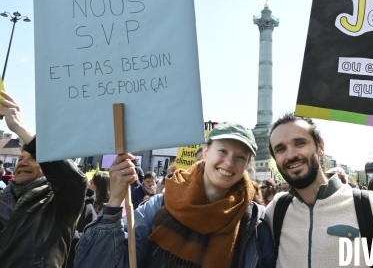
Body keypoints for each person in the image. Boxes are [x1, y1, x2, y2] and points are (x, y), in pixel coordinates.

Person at [75, 122, 276, 267]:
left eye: (240, 157)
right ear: (206, 152)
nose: (229, 162)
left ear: (247, 165)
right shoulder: (162, 204)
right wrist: (114, 202)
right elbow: (98, 261)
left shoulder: (255, 223)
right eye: (222, 151)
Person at [266, 113, 373, 267]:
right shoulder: (276, 210)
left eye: (299, 143)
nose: (290, 155)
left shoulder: (368, 205)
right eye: (280, 149)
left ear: (320, 147)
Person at [0, 91, 88, 266]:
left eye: (33, 158)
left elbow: (73, 181)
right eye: (20, 159)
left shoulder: (59, 205)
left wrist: (19, 127)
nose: (23, 163)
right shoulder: (3, 199)